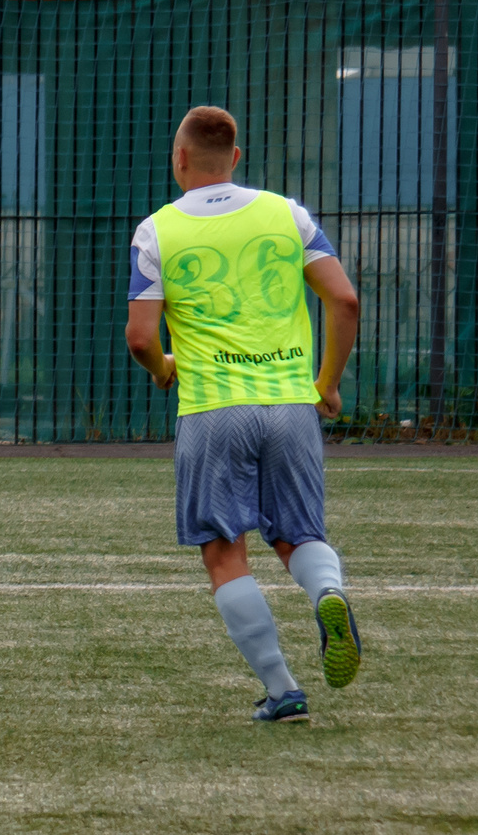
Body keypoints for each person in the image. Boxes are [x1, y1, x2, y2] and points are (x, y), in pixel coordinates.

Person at [126, 105, 365, 725]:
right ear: (236, 159)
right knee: (298, 534)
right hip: (290, 404)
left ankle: (283, 689)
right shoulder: (288, 214)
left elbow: (140, 337)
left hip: (213, 409)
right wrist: (327, 384)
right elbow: (344, 300)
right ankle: (329, 592)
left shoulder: (158, 230)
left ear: (179, 160)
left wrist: (161, 369)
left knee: (225, 551)